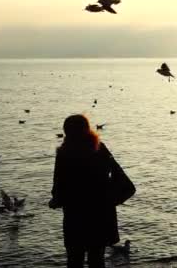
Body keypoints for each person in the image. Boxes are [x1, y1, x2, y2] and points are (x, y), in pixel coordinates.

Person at [49, 114, 135, 268]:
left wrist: (55, 201)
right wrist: (110, 200)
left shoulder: (64, 154)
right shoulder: (100, 148)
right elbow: (122, 179)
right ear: (87, 130)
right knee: (96, 260)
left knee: (74, 260)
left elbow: (58, 188)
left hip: (75, 217)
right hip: (100, 216)